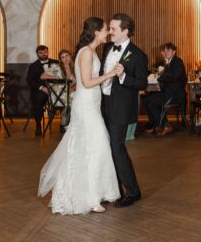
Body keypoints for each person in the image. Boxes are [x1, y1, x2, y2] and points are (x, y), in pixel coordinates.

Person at [38, 17, 121, 214]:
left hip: (91, 104)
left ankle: (93, 192)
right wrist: (110, 74)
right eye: (105, 29)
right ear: (96, 32)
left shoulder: (90, 51)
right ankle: (89, 197)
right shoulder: (86, 53)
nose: (108, 32)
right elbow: (86, 82)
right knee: (93, 146)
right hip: (85, 106)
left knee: (94, 146)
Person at [101, 13, 147, 208]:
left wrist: (123, 77)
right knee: (105, 148)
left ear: (125, 31)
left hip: (120, 107)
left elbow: (142, 83)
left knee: (117, 148)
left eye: (113, 29)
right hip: (102, 104)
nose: (109, 32)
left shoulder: (138, 55)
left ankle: (133, 191)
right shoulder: (106, 48)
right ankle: (113, 189)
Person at [145, 42, 187, 136]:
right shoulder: (163, 63)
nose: (166, 52)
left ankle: (164, 125)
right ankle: (158, 124)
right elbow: (153, 73)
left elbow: (173, 75)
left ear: (174, 52)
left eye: (168, 50)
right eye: (164, 50)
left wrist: (159, 76)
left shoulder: (178, 62)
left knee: (151, 102)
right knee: (146, 100)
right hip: (166, 92)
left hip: (175, 94)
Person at [26, 45, 58, 137]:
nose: (43, 54)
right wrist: (42, 88)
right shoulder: (33, 66)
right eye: (41, 53)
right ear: (37, 54)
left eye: (45, 52)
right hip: (41, 91)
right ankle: (38, 124)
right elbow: (30, 81)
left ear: (47, 52)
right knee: (38, 98)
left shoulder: (56, 63)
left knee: (66, 96)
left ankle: (63, 123)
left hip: (56, 89)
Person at [40, 50, 76, 130]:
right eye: (63, 57)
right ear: (60, 60)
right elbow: (42, 76)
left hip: (71, 92)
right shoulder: (57, 67)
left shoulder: (75, 67)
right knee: (72, 99)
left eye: (67, 56)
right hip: (58, 94)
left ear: (70, 56)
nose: (66, 58)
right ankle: (66, 123)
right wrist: (55, 77)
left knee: (78, 97)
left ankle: (74, 124)